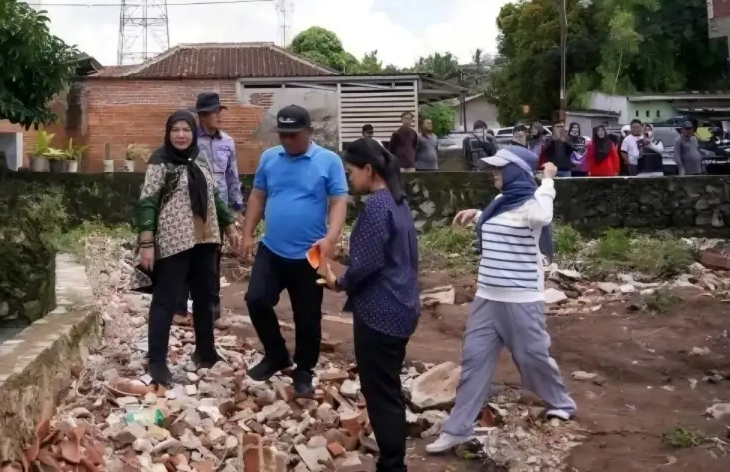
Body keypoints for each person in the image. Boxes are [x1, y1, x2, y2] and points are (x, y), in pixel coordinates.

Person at [426, 146, 575, 454]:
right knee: (474, 362)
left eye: (499, 168)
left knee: (532, 357)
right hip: (487, 298)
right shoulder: (500, 203)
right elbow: (503, 220)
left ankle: (560, 403)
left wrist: (548, 180)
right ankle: (457, 429)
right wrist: (478, 215)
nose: (493, 172)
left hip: (521, 300)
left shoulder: (534, 205)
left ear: (516, 173)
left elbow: (542, 214)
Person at [317, 138, 419, 472]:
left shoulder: (376, 206)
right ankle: (394, 458)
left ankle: (393, 465)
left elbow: (367, 264)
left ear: (369, 170)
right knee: (389, 387)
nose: (348, 179)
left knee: (381, 393)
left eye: (350, 172)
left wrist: (338, 281)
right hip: (402, 305)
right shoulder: (398, 201)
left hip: (380, 312)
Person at [238, 105, 349, 397]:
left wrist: (331, 237)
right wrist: (248, 233)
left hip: (310, 253)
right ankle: (276, 355)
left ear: (309, 132)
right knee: (256, 299)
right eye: (283, 135)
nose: (287, 140)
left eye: (293, 135)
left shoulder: (328, 161)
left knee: (307, 317)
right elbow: (258, 195)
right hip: (272, 249)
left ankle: (304, 371)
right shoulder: (269, 158)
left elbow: (338, 201)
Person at [135, 111, 241, 386]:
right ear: (168, 133)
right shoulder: (160, 162)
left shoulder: (200, 158)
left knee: (206, 299)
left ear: (193, 133)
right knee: (165, 301)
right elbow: (147, 201)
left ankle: (205, 351)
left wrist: (230, 228)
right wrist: (147, 243)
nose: (181, 135)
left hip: (206, 240)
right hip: (174, 243)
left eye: (186, 130)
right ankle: (157, 362)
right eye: (175, 130)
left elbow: (215, 196)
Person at [175, 93, 243, 327]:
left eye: (220, 110)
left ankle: (212, 313)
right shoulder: (191, 141)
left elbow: (233, 176)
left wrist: (237, 208)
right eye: (215, 111)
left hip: (219, 211)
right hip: (192, 207)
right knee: (185, 255)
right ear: (202, 116)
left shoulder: (228, 142)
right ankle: (180, 310)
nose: (219, 115)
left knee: (212, 261)